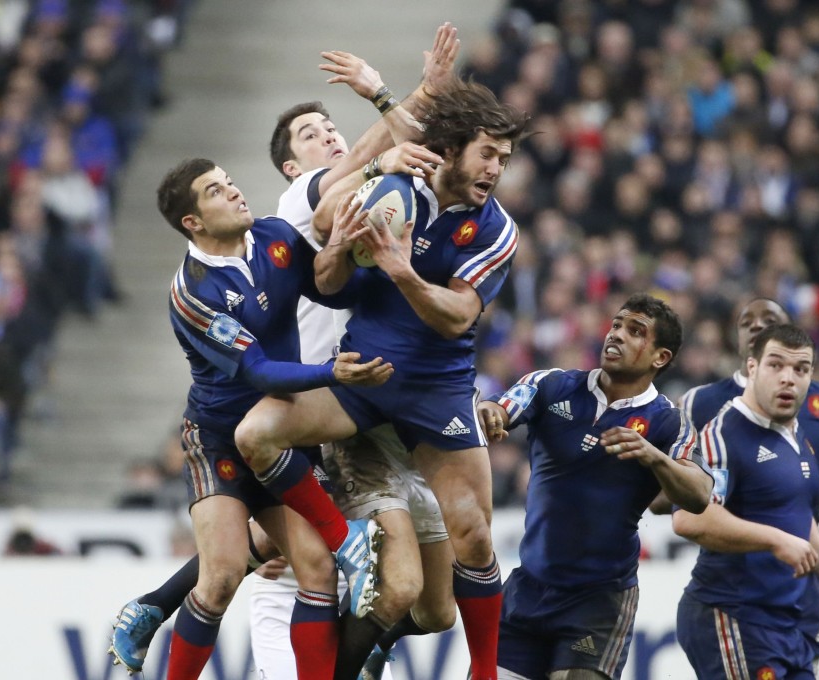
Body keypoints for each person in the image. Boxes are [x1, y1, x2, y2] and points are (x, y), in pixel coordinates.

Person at [109, 27, 461, 680]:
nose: (328, 136)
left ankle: (160, 606)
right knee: (263, 566)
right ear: (292, 170)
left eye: (329, 126)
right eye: (309, 136)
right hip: (295, 405)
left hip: (327, 403)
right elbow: (370, 151)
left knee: (315, 563)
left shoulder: (284, 232)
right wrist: (408, 96)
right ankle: (168, 611)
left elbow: (338, 269)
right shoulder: (305, 200)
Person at [232, 80, 530, 680]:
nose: (497, 169)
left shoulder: (496, 229)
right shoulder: (389, 189)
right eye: (488, 154)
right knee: (256, 433)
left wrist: (402, 271)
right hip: (363, 379)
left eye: (504, 158)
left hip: (437, 392)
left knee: (466, 546)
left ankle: (482, 670)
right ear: (451, 148)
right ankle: (329, 543)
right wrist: (340, 249)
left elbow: (458, 316)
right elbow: (332, 284)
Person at [114, 157, 393, 680]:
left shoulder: (275, 238)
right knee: (220, 578)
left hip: (281, 435)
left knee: (317, 570)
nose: (235, 192)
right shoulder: (192, 292)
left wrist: (370, 258)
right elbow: (259, 372)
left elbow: (332, 288)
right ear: (192, 222)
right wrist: (332, 373)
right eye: (215, 191)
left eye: (229, 182)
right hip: (219, 439)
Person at [475, 293, 713, 680]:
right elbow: (504, 406)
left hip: (598, 601)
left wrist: (654, 457)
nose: (616, 335)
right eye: (617, 324)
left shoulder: (669, 422)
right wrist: (490, 411)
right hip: (527, 589)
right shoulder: (552, 385)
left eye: (635, 331)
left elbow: (700, 495)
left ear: (660, 357)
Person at [664, 297, 819, 665]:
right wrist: (775, 541)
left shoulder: (797, 433)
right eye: (776, 365)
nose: (789, 377)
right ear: (752, 367)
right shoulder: (720, 432)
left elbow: (792, 511)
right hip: (736, 612)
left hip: (794, 616)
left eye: (801, 369)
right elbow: (689, 518)